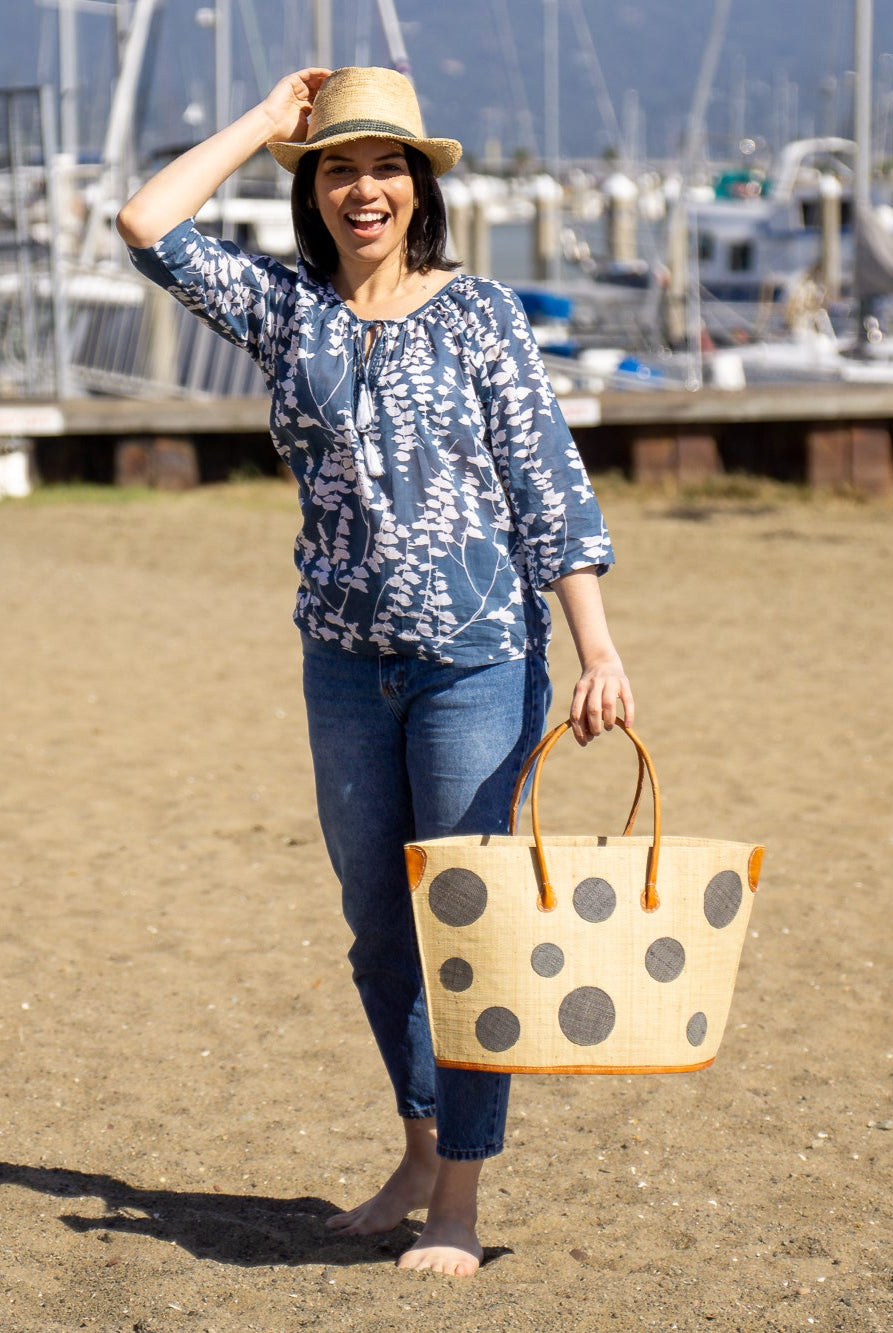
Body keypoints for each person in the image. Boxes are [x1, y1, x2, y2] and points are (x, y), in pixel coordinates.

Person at [116, 64, 634, 1278]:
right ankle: (414, 1149)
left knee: (469, 924)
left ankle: (456, 1195)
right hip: (344, 664)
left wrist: (597, 649)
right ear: (314, 186)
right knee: (375, 931)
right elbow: (146, 225)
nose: (363, 189)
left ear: (419, 186)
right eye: (339, 167)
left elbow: (546, 486)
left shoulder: (483, 315)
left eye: (385, 166)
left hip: (479, 660)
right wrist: (261, 123)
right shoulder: (282, 309)